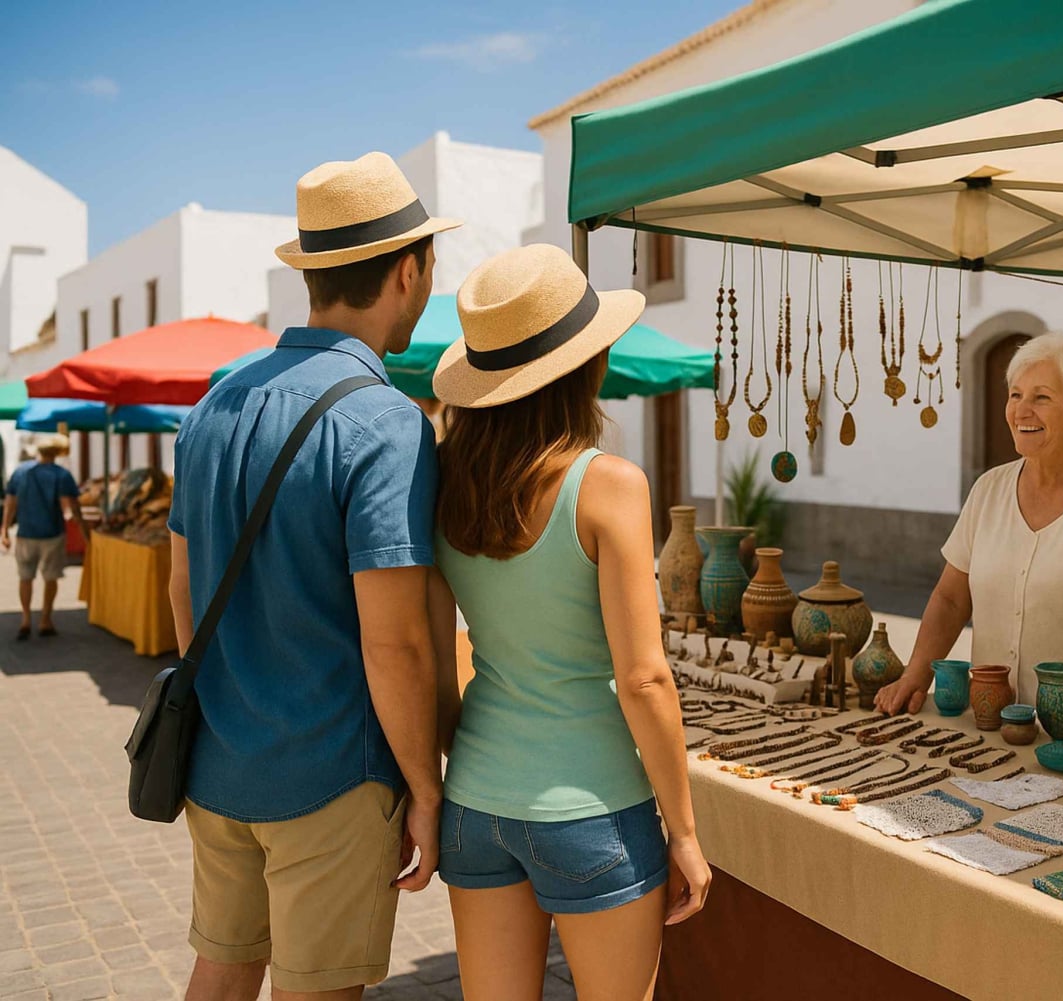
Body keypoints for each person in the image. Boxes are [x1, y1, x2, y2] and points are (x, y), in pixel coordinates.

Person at [165, 151, 460, 1001]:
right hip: (332, 776)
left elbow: (181, 587)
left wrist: (224, 704)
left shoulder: (212, 407)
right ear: (408, 271)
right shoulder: (387, 423)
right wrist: (426, 788)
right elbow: (396, 643)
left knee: (222, 970)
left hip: (219, 762)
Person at [428, 244, 710, 1001]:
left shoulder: (443, 482)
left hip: (475, 800)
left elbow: (433, 660)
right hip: (595, 807)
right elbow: (645, 678)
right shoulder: (608, 485)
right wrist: (684, 832)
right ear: (585, 366)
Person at [876, 332, 1063, 716]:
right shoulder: (989, 489)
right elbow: (951, 599)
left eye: (1042, 398)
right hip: (998, 725)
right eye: (1016, 395)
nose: (1021, 410)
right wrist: (915, 676)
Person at [2, 433, 86, 640]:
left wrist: (4, 529)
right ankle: (45, 619)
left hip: (26, 533)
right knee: (50, 577)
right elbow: (70, 505)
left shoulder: (20, 472)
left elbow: (10, 503)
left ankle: (25, 618)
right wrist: (82, 528)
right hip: (52, 534)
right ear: (57, 452)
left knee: (25, 577)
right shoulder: (62, 475)